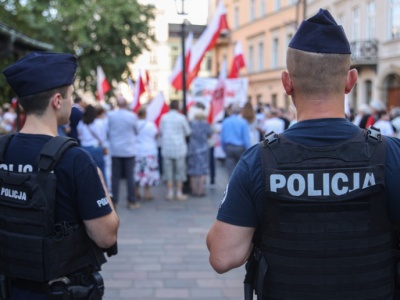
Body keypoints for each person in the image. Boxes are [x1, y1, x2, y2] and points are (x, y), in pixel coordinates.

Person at [207, 9, 400, 299]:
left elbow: (223, 256)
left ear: (287, 83)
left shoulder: (257, 161)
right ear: (350, 81)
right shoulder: (391, 154)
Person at [1, 52, 119, 299]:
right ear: (57, 100)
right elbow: (106, 236)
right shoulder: (75, 159)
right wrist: (102, 188)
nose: (73, 102)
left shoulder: (2, 149)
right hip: (60, 290)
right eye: (71, 95)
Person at [107, 95, 140, 210]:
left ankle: (114, 201)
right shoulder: (132, 116)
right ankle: (131, 200)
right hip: (129, 149)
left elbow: (108, 130)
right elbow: (136, 130)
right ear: (126, 104)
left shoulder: (111, 115)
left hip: (116, 149)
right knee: (130, 176)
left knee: (115, 176)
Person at [159, 100, 191, 201]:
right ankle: (179, 193)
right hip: (179, 148)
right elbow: (188, 132)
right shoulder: (181, 118)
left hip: (167, 148)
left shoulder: (164, 117)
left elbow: (161, 131)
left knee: (168, 172)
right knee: (179, 172)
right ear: (178, 107)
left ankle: (170, 193)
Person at [134, 106, 160, 200]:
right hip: (149, 151)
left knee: (137, 172)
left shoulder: (134, 124)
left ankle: (136, 191)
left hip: (137, 151)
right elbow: (156, 135)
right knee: (148, 172)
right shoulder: (150, 124)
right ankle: (147, 192)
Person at [187, 104, 212, 197]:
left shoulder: (191, 124)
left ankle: (194, 190)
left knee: (193, 170)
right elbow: (209, 135)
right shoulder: (206, 124)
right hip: (203, 149)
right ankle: (201, 190)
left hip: (193, 149)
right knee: (202, 170)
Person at [220, 103, 251, 177]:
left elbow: (222, 137)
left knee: (230, 169)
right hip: (240, 147)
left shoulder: (225, 121)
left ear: (231, 111)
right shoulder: (243, 122)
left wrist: (224, 148)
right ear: (240, 111)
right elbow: (246, 138)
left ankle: (231, 186)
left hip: (229, 147)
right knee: (241, 168)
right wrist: (248, 150)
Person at [77, 104, 107, 177]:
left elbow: (80, 136)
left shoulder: (81, 123)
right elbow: (102, 137)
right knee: (101, 172)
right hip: (96, 148)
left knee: (87, 173)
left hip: (84, 148)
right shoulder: (98, 123)